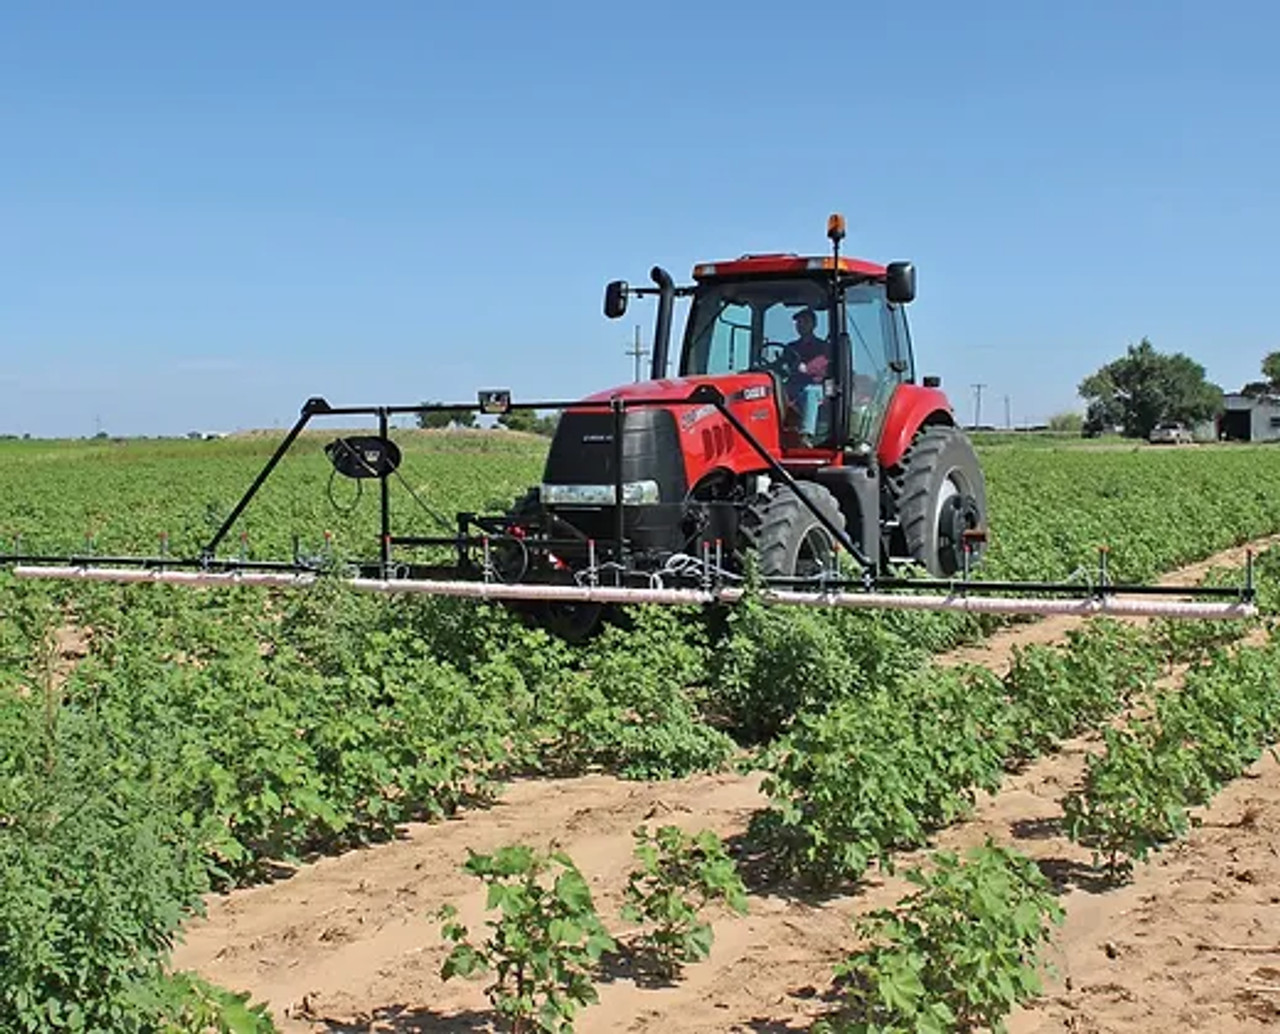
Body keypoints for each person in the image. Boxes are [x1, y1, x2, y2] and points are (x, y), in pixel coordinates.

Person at [784, 308, 830, 439]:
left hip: (817, 388)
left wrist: (806, 368)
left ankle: (806, 434)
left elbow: (819, 365)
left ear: (814, 325)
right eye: (798, 322)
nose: (800, 325)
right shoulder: (791, 347)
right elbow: (782, 364)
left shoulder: (823, 347)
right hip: (793, 386)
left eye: (804, 321)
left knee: (810, 392)